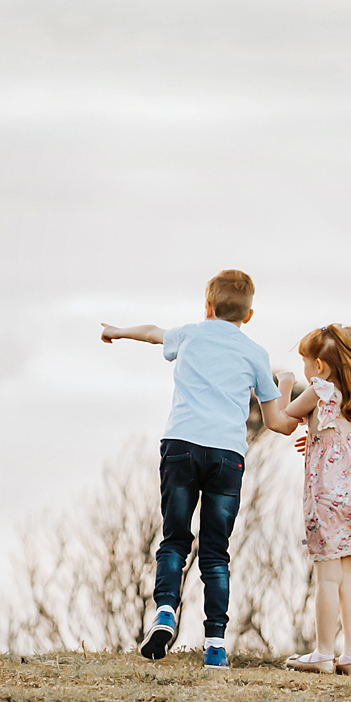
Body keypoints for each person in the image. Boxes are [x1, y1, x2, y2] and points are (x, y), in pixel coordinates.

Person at [100, 269, 293, 669]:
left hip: (181, 447)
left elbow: (154, 331)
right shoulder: (256, 353)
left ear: (207, 308)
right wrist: (289, 386)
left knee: (174, 540)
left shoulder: (189, 333)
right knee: (215, 554)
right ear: (249, 315)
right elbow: (278, 423)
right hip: (226, 456)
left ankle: (166, 612)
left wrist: (118, 330)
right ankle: (216, 644)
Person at [268, 323, 351, 677]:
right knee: (347, 580)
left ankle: (323, 652)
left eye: (306, 363)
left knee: (326, 578)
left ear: (319, 367)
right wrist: (322, 441)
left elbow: (280, 420)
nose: (306, 369)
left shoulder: (320, 392)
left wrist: (286, 385)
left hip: (326, 498)